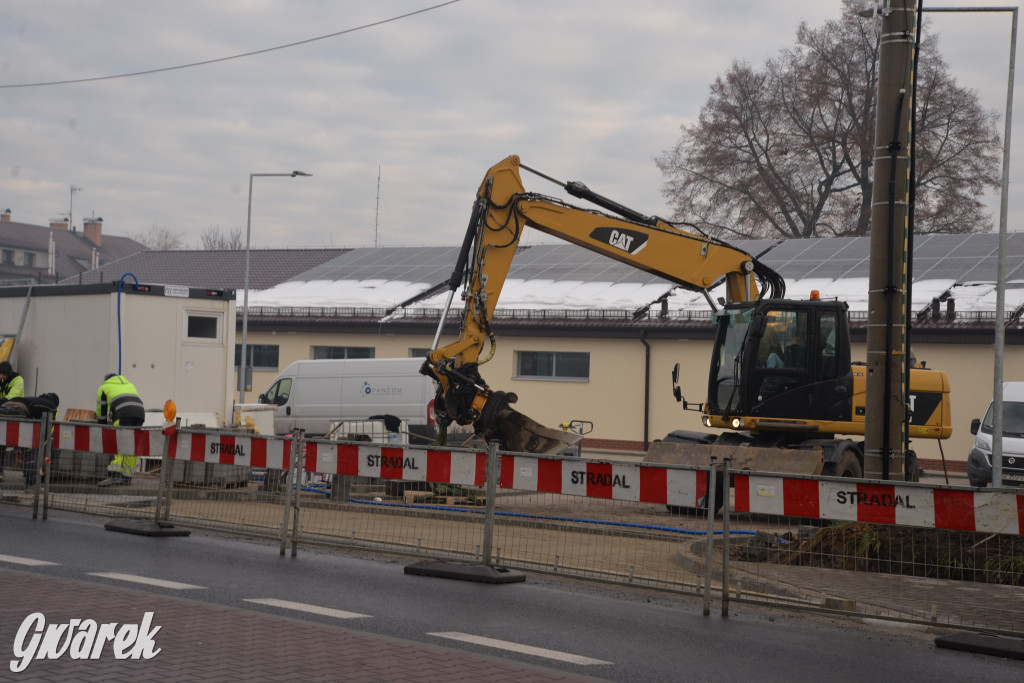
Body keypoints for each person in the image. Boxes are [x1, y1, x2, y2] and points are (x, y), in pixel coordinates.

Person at [96, 373, 145, 486]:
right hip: (140, 415)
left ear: (106, 380)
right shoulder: (130, 384)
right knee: (131, 445)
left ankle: (113, 475)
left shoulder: (103, 387)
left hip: (123, 415)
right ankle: (127, 477)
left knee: (118, 443)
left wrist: (102, 425)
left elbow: (101, 411)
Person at [0, 360, 24, 482]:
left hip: (16, 412)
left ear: (8, 373)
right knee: (1, 442)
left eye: (3, 374)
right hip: (4, 412)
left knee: (12, 441)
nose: (1, 376)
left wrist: (2, 401)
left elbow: (13, 395)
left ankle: (27, 472)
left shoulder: (18, 380)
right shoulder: (2, 381)